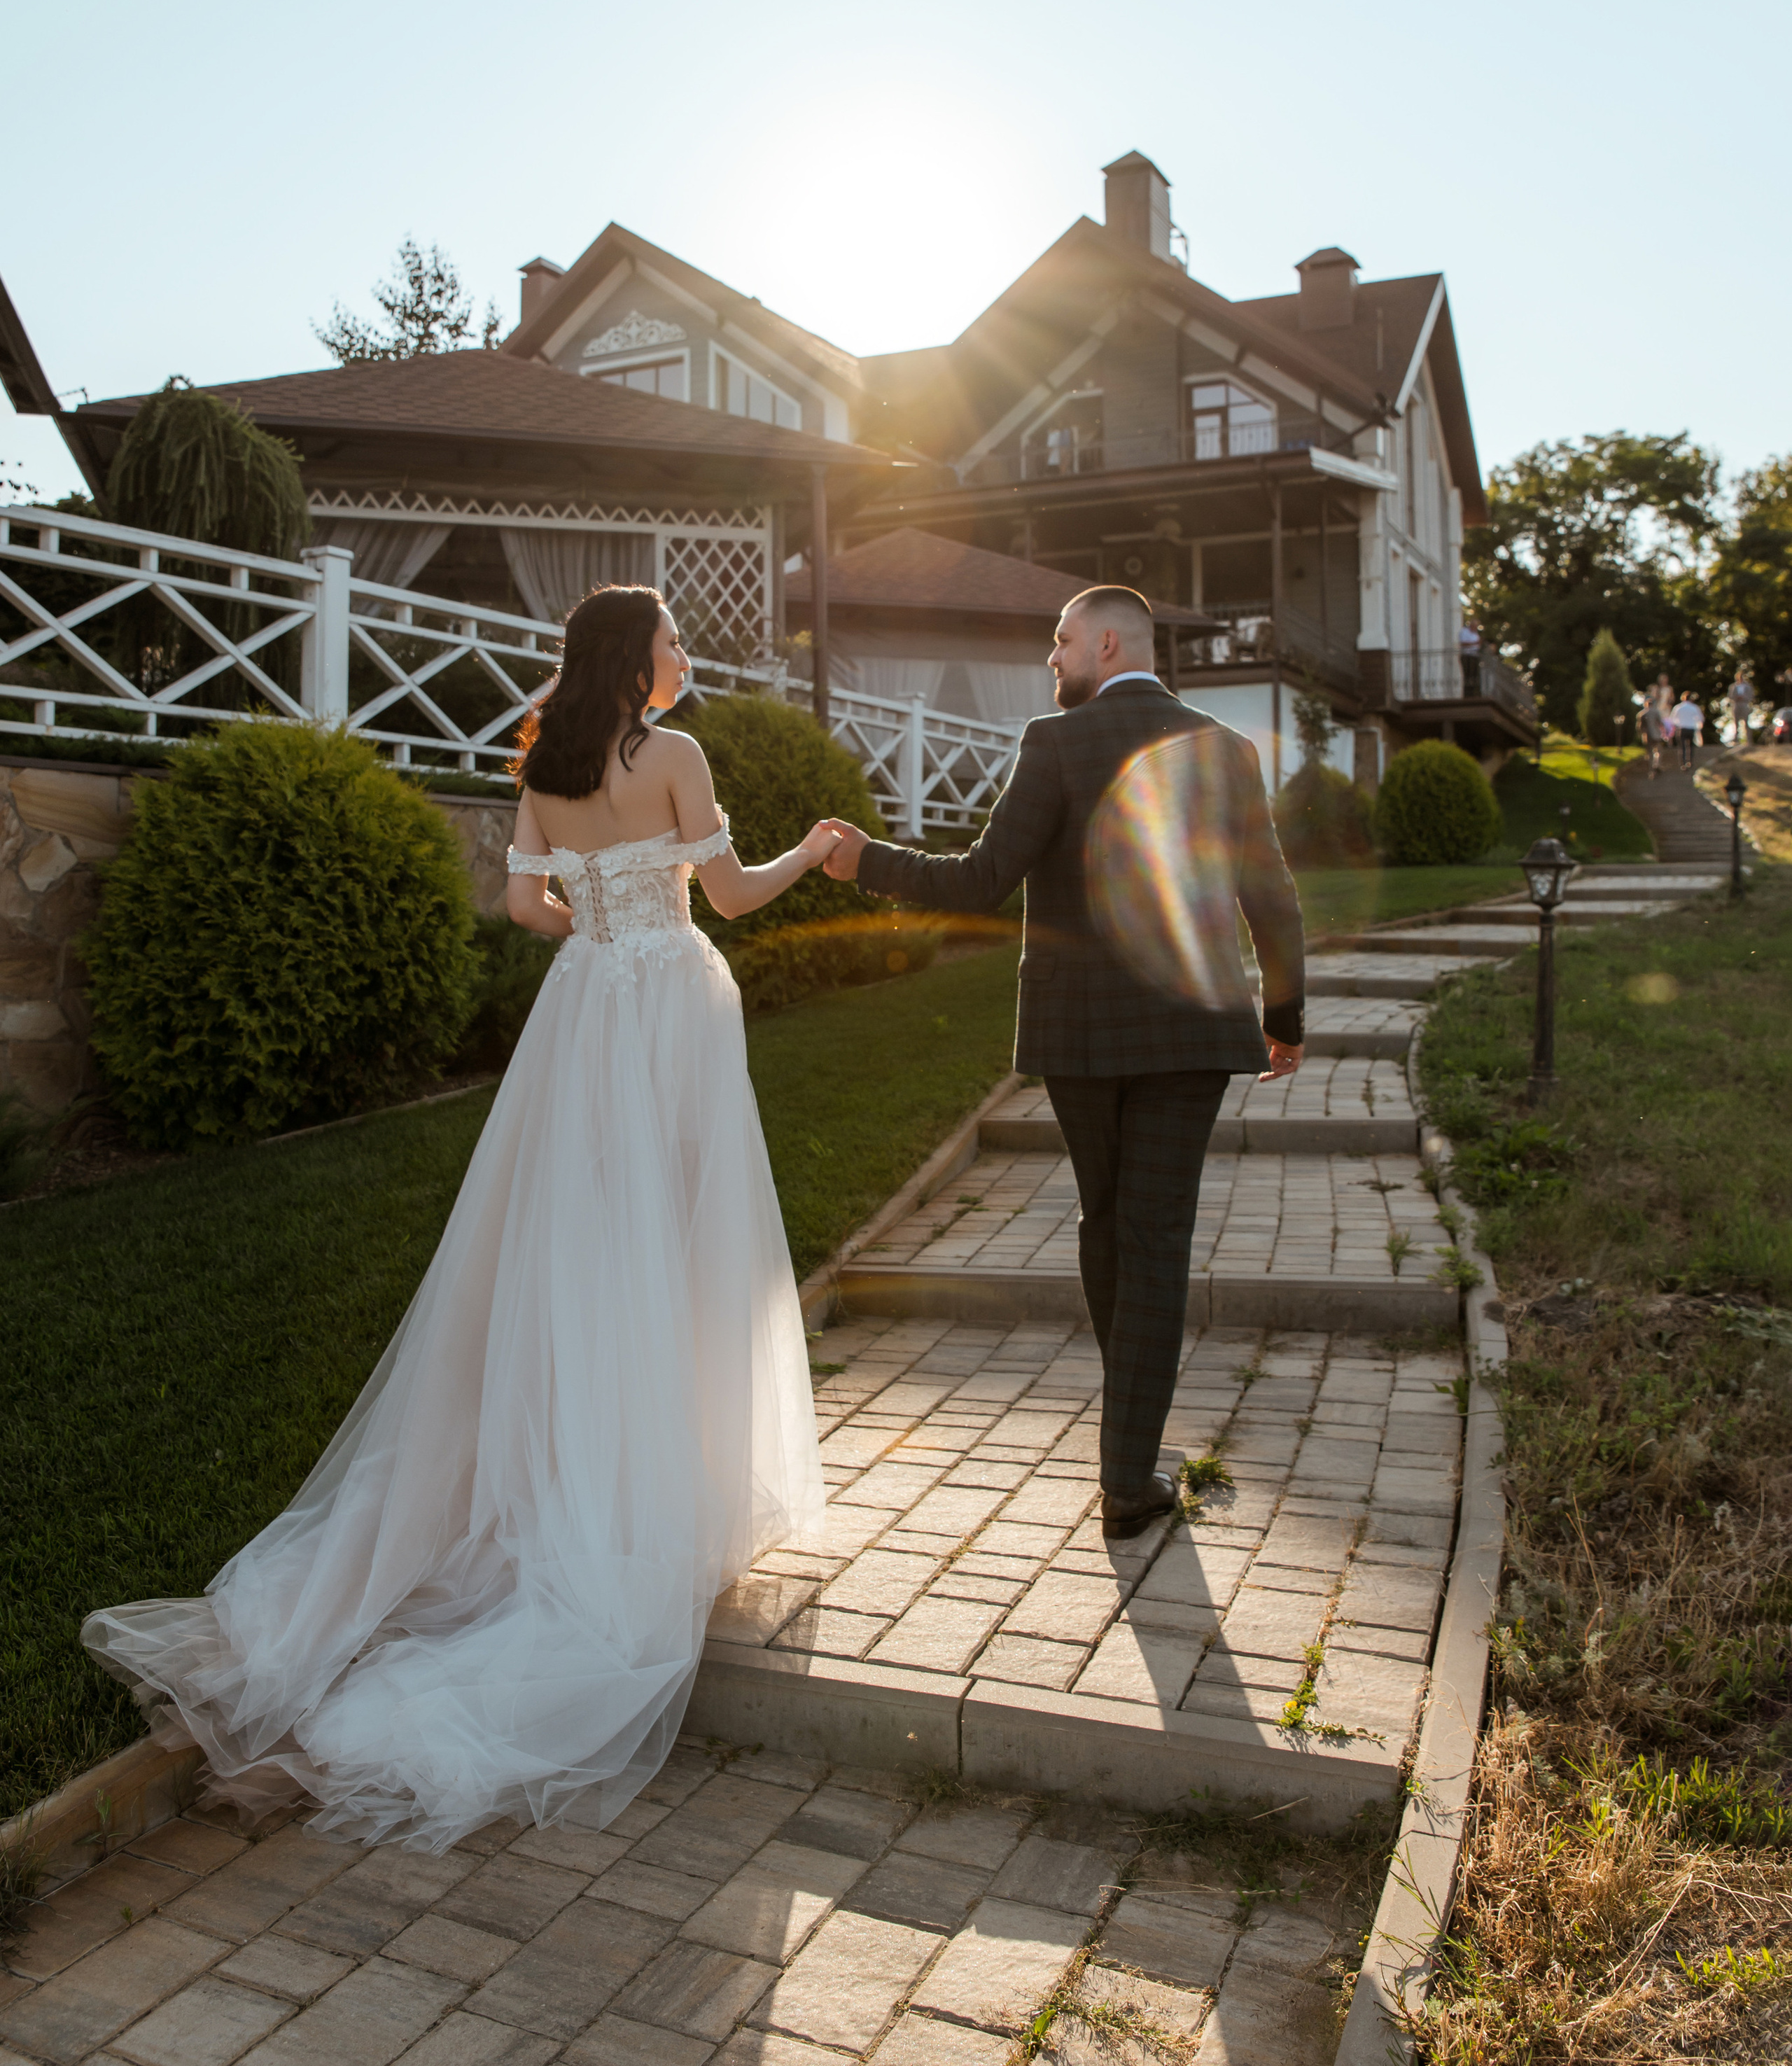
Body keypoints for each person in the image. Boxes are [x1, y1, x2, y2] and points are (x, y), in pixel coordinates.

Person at [83, 587, 832, 1850]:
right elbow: (738, 896)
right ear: (637, 655)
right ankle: (650, 1501)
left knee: (578, 1242)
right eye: (672, 638)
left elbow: (524, 910)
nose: (684, 655)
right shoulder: (680, 756)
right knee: (678, 1248)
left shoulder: (549, 760)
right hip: (668, 1019)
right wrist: (811, 850)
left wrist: (598, 912)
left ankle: (580, 1475)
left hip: (586, 1014)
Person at [822, 586, 1304, 1540]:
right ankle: (1129, 1466)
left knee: (1108, 1220)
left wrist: (867, 860)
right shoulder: (1226, 750)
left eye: (1061, 639)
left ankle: (1128, 1460)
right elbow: (1272, 895)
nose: (1052, 657)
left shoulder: (1055, 743)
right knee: (1152, 1236)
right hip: (1194, 1031)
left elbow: (978, 880)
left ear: (1110, 640)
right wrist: (1284, 1011)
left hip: (1081, 1033)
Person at [1670, 689, 1704, 769]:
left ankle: (1682, 763)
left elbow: (1672, 719)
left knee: (1682, 747)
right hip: (1691, 728)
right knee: (1691, 747)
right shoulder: (1694, 708)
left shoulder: (1678, 708)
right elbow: (1701, 719)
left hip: (1682, 729)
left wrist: (1678, 723)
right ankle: (1690, 762)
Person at [1728, 669, 1756, 746]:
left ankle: (1749, 740)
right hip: (1736, 704)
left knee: (1746, 722)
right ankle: (1736, 739)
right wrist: (1736, 698)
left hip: (1744, 704)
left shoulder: (1748, 686)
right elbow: (1730, 696)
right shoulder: (1733, 686)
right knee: (1736, 722)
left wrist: (1744, 698)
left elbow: (1751, 696)